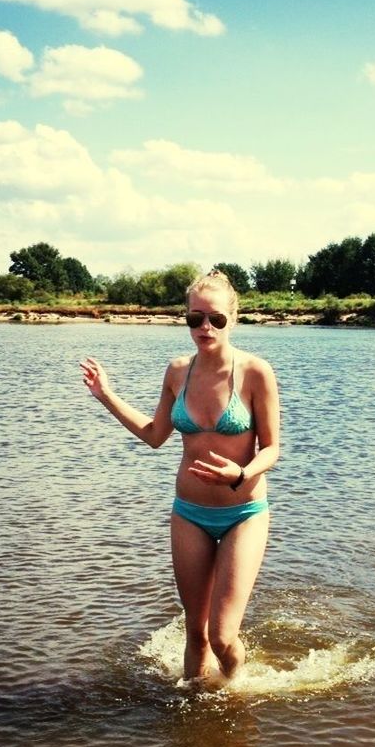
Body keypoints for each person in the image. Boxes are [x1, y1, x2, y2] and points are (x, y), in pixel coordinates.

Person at [80, 271, 280, 685]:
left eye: (216, 319)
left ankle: (237, 690)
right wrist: (107, 396)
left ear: (233, 318)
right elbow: (155, 436)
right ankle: (192, 714)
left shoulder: (256, 372)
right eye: (195, 319)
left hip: (244, 511)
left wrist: (240, 472)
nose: (205, 328)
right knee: (195, 632)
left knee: (222, 636)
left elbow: (273, 450)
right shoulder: (177, 371)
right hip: (189, 513)